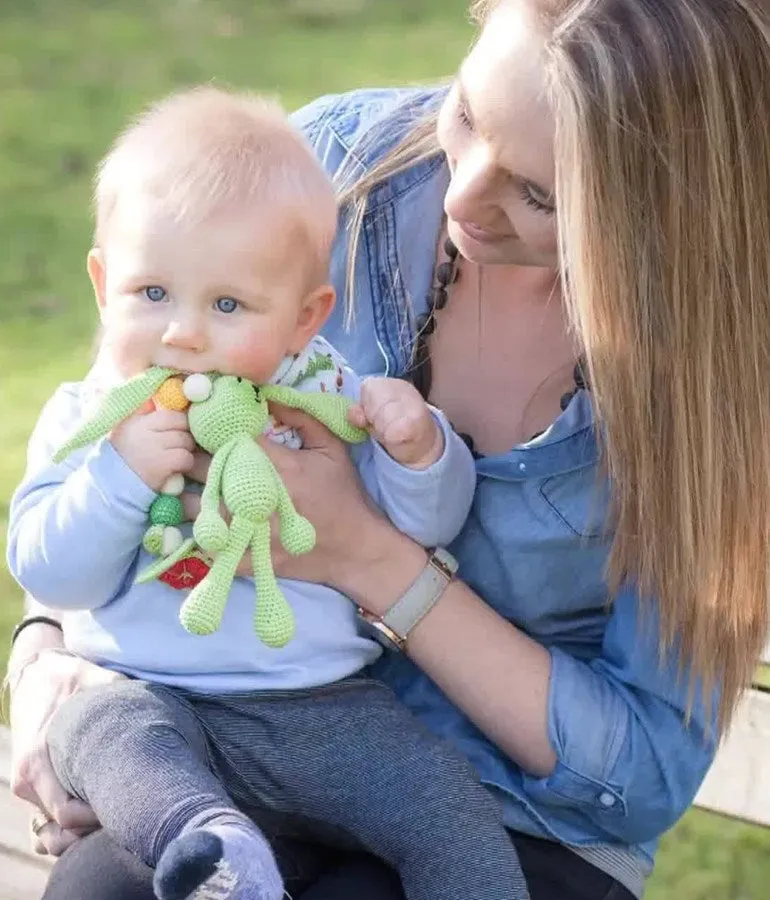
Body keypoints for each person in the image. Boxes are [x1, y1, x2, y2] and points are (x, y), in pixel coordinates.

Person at [7, 0, 770, 898]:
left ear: (669, 206)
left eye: (540, 195)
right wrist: (44, 656)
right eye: (468, 115)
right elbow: (115, 403)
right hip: (218, 722)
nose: (461, 196)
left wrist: (367, 557)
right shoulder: (330, 169)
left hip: (514, 812)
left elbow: (640, 774)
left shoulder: (728, 373)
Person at [6, 86, 531, 900]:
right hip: (152, 698)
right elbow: (49, 572)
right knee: (96, 731)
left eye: (226, 305)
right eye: (152, 294)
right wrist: (119, 477)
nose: (182, 333)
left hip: (321, 708)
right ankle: (215, 855)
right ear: (102, 280)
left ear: (302, 318)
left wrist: (420, 452)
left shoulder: (322, 398)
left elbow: (427, 527)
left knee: (443, 805)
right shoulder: (89, 420)